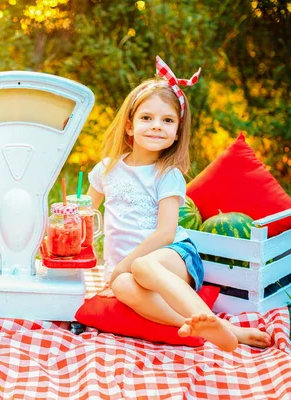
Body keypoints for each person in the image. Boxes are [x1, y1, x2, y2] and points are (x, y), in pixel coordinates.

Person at [87, 57, 271, 352]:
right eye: (147, 118)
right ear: (129, 127)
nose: (157, 126)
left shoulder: (167, 175)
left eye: (167, 120)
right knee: (123, 287)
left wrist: (122, 266)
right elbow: (85, 213)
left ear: (176, 133)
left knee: (142, 266)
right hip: (128, 273)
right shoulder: (107, 169)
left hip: (173, 257)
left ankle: (216, 323)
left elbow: (165, 234)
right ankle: (218, 329)